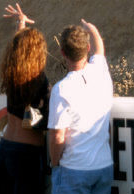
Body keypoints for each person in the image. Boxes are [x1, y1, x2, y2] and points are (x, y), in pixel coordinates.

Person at [48, 20, 113, 194]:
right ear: (88, 48)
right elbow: (100, 49)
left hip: (73, 169)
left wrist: (55, 164)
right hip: (104, 166)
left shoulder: (61, 89)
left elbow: (57, 136)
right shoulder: (101, 71)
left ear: (63, 53)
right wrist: (93, 29)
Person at [0, 3, 50, 194]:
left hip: (5, 148)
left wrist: (21, 24)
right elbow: (33, 122)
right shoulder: (39, 80)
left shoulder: (12, 73)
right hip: (27, 154)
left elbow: (19, 51)